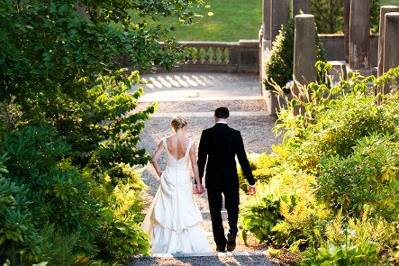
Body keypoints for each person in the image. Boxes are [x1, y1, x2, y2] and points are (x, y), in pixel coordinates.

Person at [142, 117, 211, 254]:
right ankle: (187, 243)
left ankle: (165, 244)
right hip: (184, 178)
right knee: (185, 206)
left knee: (168, 207)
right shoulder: (190, 143)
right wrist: (198, 183)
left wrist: (160, 173)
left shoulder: (165, 141)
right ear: (184, 127)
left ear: (173, 127)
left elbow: (154, 159)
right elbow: (194, 165)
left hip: (169, 176)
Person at [197, 107, 256, 252]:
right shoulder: (235, 134)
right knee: (233, 207)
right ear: (227, 117)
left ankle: (220, 242)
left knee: (215, 210)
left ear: (215, 116)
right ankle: (232, 232)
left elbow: (201, 159)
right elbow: (243, 159)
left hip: (213, 177)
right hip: (230, 176)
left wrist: (197, 181)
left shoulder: (207, 134)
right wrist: (251, 181)